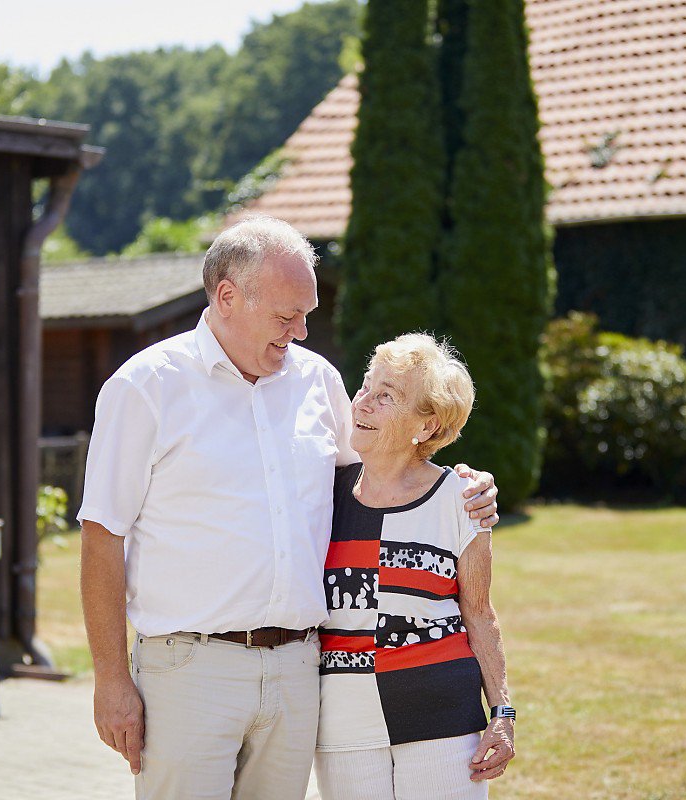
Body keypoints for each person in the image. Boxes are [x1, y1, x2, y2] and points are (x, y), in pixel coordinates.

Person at [76, 215, 499, 800]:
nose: (301, 331)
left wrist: (462, 481)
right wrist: (110, 679)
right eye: (286, 316)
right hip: (190, 672)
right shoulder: (146, 386)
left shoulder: (316, 382)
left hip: (301, 670)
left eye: (308, 313)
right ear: (227, 297)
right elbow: (102, 536)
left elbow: (387, 467)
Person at [314, 333, 515, 800]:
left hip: (443, 723)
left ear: (425, 427)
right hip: (343, 726)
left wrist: (502, 714)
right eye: (365, 386)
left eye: (385, 396)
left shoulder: (461, 500)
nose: (361, 403)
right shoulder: (321, 495)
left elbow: (480, 614)